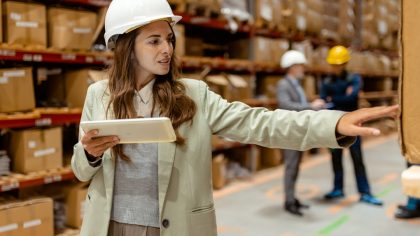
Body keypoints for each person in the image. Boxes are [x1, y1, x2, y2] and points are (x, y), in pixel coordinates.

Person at [71, 1, 398, 235]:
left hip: (174, 227)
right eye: (154, 41)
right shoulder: (98, 97)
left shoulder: (193, 96)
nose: (167, 49)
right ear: (126, 47)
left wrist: (333, 123)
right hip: (110, 227)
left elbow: (261, 124)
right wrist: (90, 153)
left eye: (169, 39)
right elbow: (80, 169)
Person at [320, 45, 384, 206]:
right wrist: (339, 98)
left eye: (337, 64)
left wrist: (332, 99)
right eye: (332, 64)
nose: (334, 67)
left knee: (357, 159)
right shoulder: (326, 81)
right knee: (336, 158)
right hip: (333, 126)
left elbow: (351, 98)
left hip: (353, 125)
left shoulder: (354, 78)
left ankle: (365, 192)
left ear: (344, 64)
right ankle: (338, 188)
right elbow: (323, 100)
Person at [277, 50, 325, 216]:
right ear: (292, 67)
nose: (302, 68)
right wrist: (310, 106)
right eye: (300, 65)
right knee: (290, 167)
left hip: (298, 132)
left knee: (296, 167)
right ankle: (288, 201)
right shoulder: (284, 84)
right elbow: (285, 105)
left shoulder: (297, 84)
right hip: (289, 132)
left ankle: (293, 197)